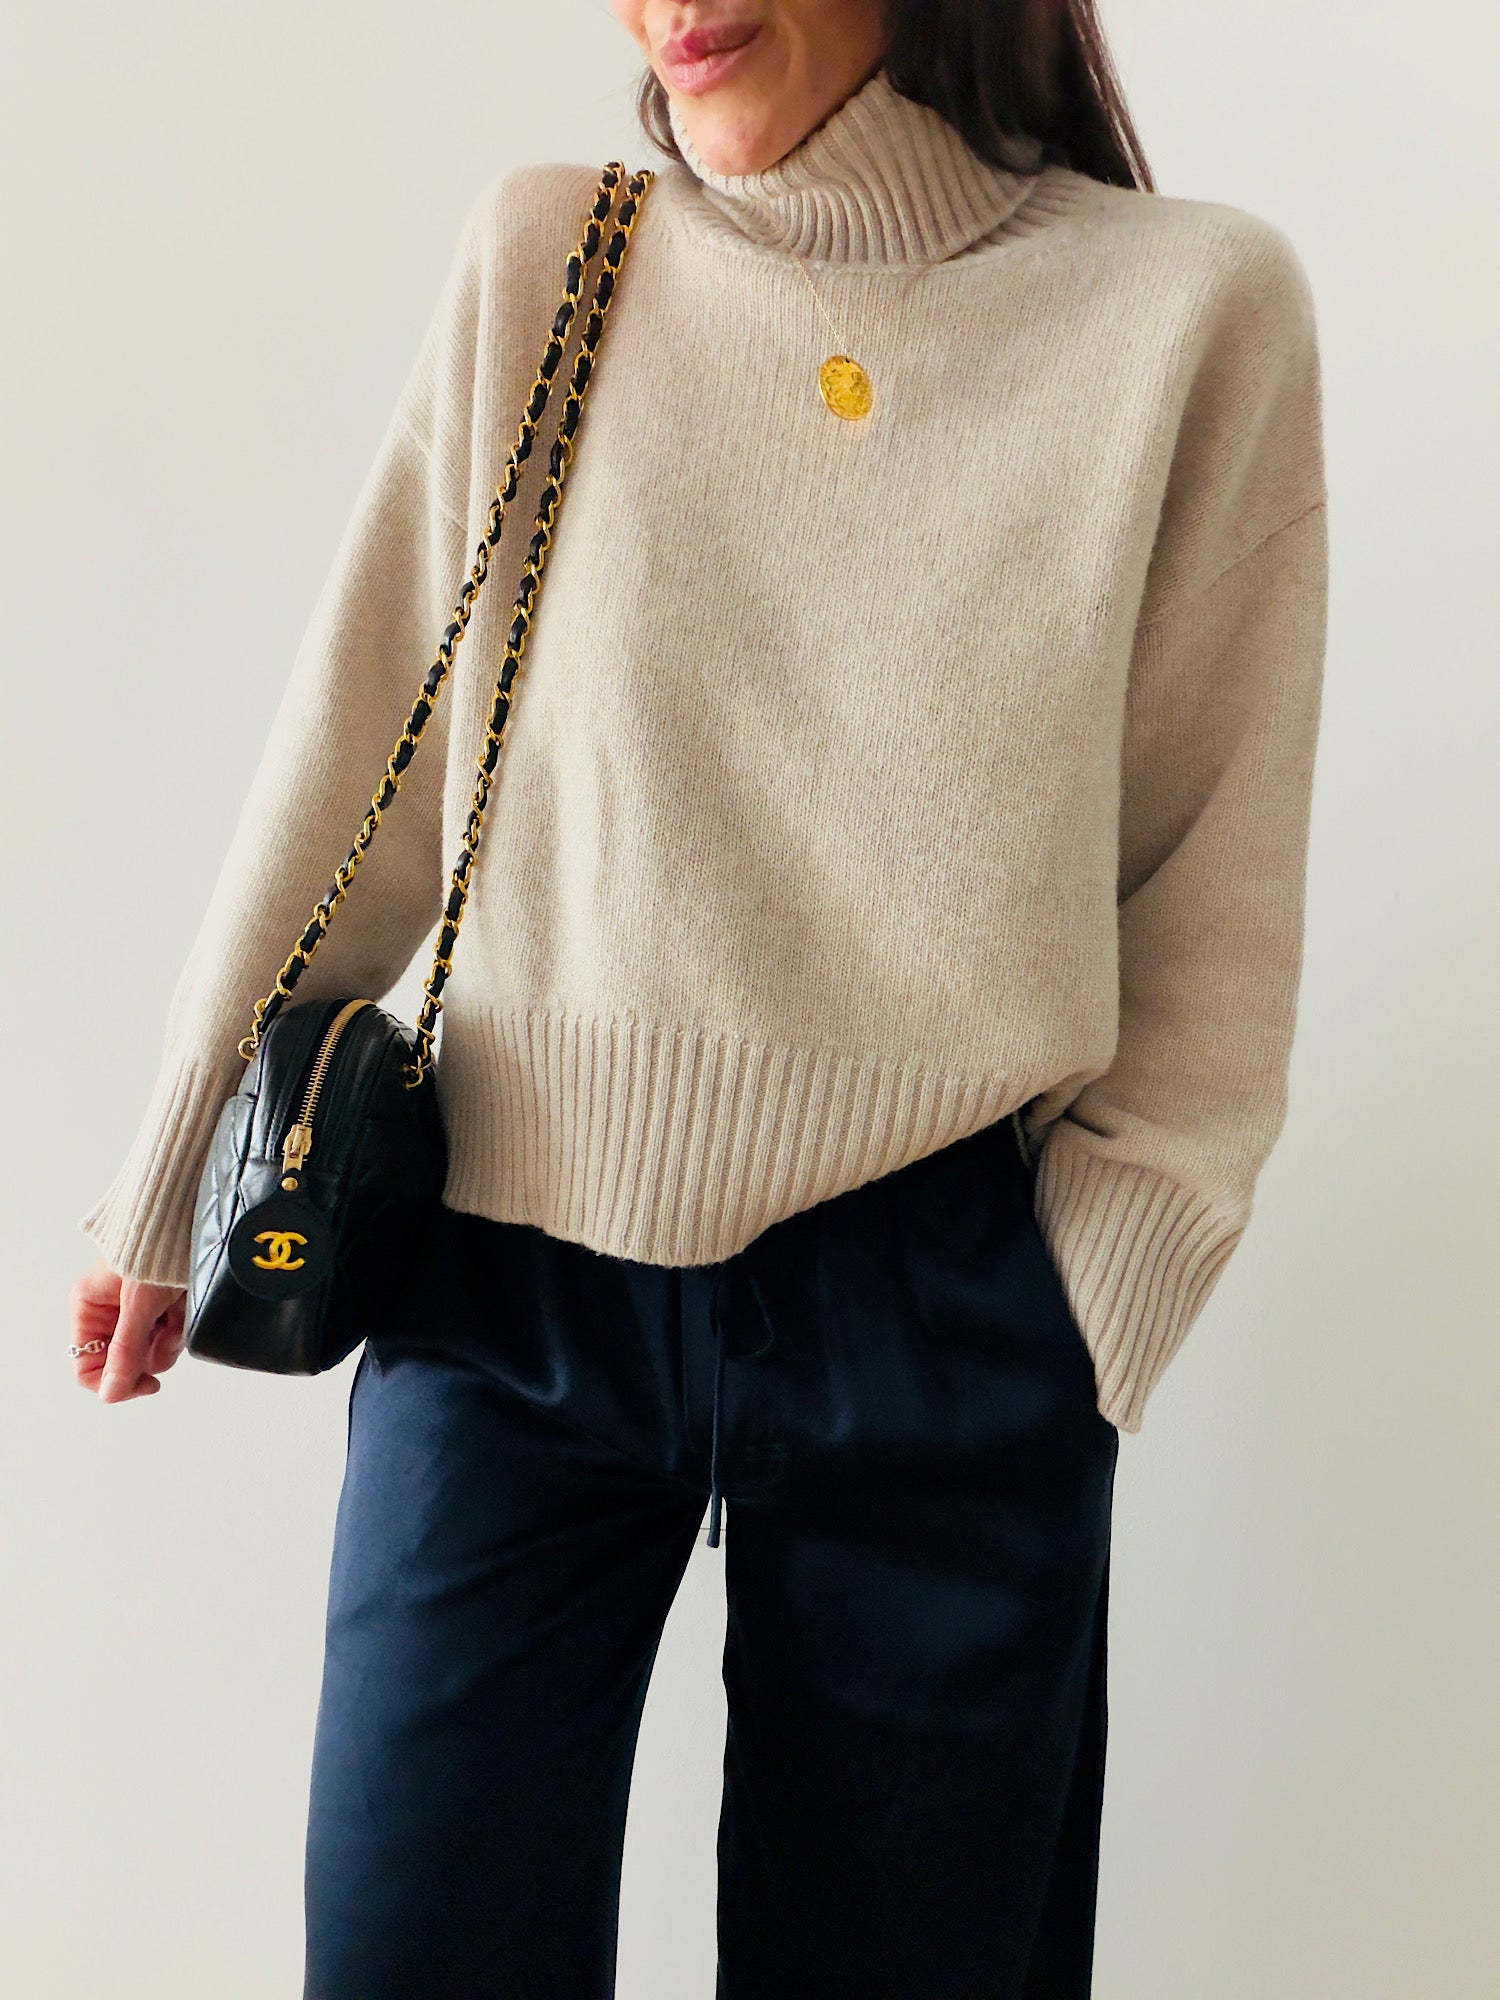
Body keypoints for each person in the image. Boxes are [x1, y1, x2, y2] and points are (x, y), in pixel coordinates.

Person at [67, 1, 1330, 1993]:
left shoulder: (1188, 311)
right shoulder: (553, 255)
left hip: (946, 1315)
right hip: (501, 1279)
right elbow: (367, 750)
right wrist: (176, 1164)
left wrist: (1093, 1307)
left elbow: (1209, 883)